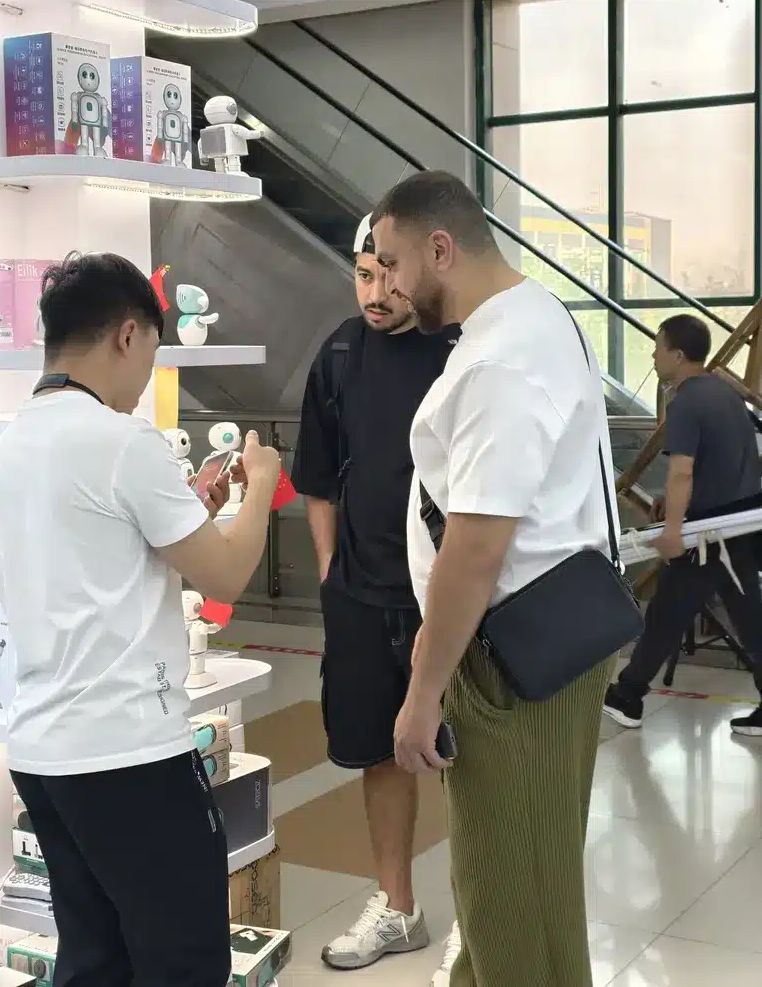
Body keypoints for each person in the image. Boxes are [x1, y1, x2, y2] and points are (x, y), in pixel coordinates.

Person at [0, 252, 281, 987]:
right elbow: (225, 573)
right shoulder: (122, 442)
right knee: (182, 960)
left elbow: (97, 553)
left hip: (44, 753)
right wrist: (261, 492)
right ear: (127, 336)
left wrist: (193, 507)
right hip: (128, 755)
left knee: (96, 958)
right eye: (151, 352)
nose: (145, 374)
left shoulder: (11, 443)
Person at [370, 171, 616, 987]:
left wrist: (422, 691)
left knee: (515, 902)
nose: (393, 287)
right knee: (505, 883)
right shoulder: (535, 317)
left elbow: (476, 546)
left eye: (396, 263)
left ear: (441, 248)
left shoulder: (500, 360)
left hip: (509, 664)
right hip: (540, 643)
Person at [291, 215, 461, 979]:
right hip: (361, 594)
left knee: (472, 759)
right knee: (379, 755)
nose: (377, 291)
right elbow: (317, 479)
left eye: (390, 273)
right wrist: (330, 571)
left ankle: (481, 916)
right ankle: (398, 909)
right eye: (364, 274)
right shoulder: (335, 354)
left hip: (446, 595)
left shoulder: (458, 350)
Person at [604, 313, 762, 738]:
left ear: (677, 355)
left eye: (658, 348)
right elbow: (724, 461)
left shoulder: (686, 401)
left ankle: (629, 694)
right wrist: (673, 507)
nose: (654, 356)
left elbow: (681, 472)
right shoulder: (724, 393)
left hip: (712, 534)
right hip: (731, 525)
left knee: (672, 614)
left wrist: (674, 528)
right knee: (734, 615)